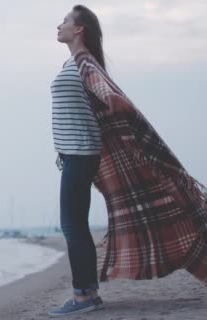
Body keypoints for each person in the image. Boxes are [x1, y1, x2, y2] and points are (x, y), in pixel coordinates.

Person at [48, 5, 207, 317]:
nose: (59, 24)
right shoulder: (78, 62)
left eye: (65, 20)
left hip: (80, 154)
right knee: (75, 224)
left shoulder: (84, 63)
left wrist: (116, 116)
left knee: (72, 225)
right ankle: (86, 293)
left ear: (79, 29)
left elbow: (114, 100)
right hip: (75, 155)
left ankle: (85, 297)